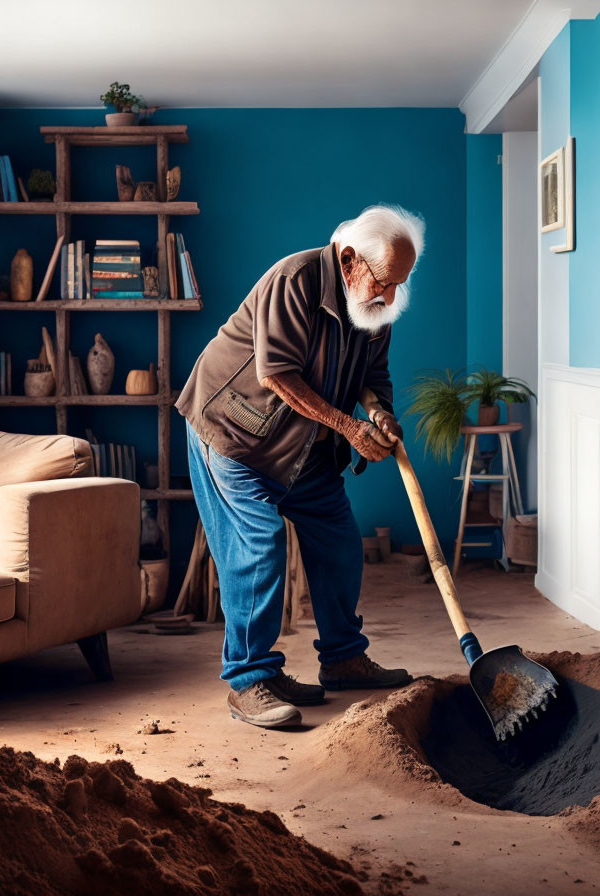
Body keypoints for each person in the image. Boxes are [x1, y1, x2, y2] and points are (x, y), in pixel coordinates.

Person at [175, 204, 425, 728]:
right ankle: (248, 680)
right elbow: (278, 376)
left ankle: (343, 659)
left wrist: (378, 415)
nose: (390, 296)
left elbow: (372, 377)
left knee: (337, 538)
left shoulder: (373, 308)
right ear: (351, 260)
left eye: (400, 285)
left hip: (303, 443)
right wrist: (352, 429)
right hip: (234, 435)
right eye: (385, 282)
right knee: (259, 545)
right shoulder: (294, 279)